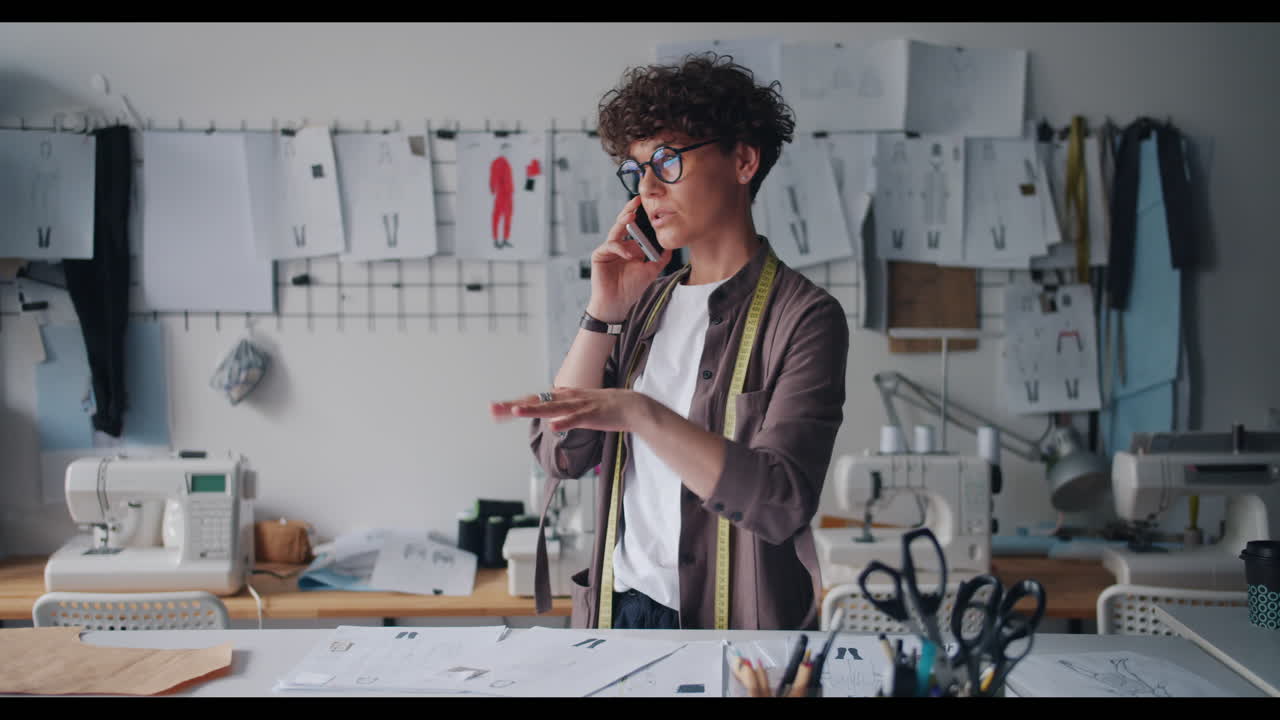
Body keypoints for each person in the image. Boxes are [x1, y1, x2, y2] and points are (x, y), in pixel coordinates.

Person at [490, 53, 849, 630]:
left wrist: (642, 413)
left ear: (744, 161)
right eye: (637, 170)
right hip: (621, 613)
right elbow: (562, 454)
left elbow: (780, 503)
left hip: (731, 627)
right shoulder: (644, 305)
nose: (648, 188)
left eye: (667, 161)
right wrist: (603, 312)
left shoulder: (804, 317)